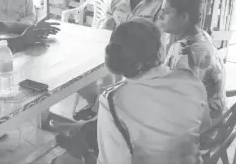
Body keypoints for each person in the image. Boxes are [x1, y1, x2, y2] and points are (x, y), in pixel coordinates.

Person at [52, 18, 210, 164]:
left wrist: (83, 153)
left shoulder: (113, 99)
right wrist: (84, 126)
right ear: (160, 51)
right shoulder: (191, 81)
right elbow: (202, 133)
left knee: (61, 161)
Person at [74, 0, 168, 121]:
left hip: (143, 59)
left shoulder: (160, 4)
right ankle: (99, 107)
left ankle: (108, 111)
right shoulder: (117, 0)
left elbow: (155, 40)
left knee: (117, 73)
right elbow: (105, 25)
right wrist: (106, 25)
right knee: (82, 70)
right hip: (119, 53)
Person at [158, 0, 227, 159]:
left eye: (166, 11)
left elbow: (178, 108)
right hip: (216, 119)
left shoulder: (184, 51)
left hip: (202, 132)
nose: (160, 16)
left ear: (184, 17)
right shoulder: (201, 35)